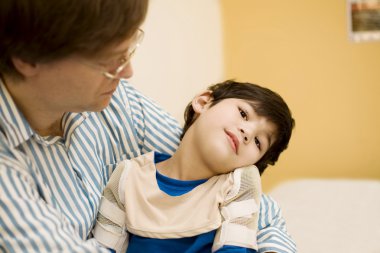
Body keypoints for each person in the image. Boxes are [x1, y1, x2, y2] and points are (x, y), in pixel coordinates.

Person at [0, 0, 296, 252]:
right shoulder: (7, 176)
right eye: (110, 62)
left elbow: (266, 218)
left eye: (128, 51)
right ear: (29, 58)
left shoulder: (117, 101)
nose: (127, 72)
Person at [93, 80, 295, 253]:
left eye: (259, 142)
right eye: (243, 113)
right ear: (203, 102)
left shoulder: (239, 186)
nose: (248, 132)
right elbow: (103, 247)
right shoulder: (128, 175)